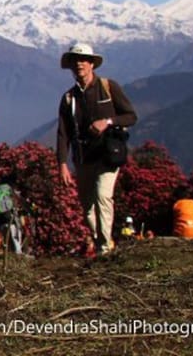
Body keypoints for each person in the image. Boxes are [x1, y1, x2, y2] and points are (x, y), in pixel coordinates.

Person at [57, 43, 137, 257]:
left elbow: (131, 116)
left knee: (103, 196)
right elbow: (63, 133)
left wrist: (108, 121)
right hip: (83, 158)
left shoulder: (108, 87)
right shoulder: (68, 98)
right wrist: (63, 163)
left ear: (92, 64)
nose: (79, 64)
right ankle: (101, 239)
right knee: (88, 208)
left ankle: (103, 248)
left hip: (108, 155)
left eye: (83, 60)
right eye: (75, 60)